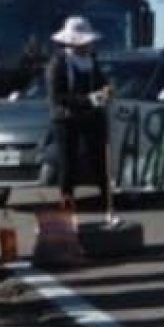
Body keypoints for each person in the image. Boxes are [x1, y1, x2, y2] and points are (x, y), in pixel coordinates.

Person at [46, 16, 113, 214]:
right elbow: (57, 96)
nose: (88, 45)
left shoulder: (92, 61)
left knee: (100, 159)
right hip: (66, 119)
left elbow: (102, 83)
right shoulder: (58, 64)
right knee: (68, 163)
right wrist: (89, 100)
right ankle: (67, 203)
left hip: (92, 118)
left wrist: (107, 91)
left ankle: (107, 200)